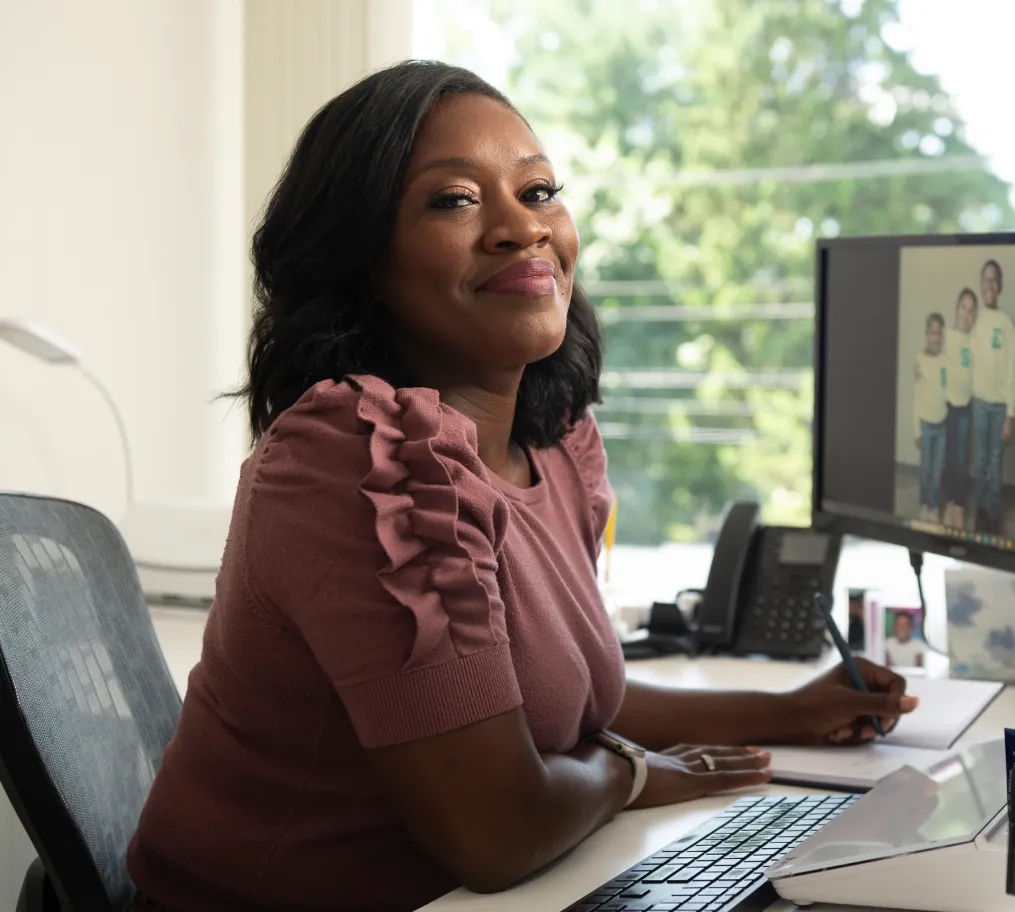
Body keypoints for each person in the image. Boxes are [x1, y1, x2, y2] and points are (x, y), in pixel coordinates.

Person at [125, 61, 918, 912]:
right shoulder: (360, 460)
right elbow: (498, 831)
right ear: (359, 260)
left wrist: (784, 711)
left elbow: (556, 701)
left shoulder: (554, 447)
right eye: (453, 200)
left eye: (539, 192)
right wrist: (630, 774)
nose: (520, 228)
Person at [970, 259, 1015, 535]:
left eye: (994, 280)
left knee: (995, 459)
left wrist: (1010, 415)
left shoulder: (1006, 324)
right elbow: (960, 354)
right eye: (985, 280)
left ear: (1000, 286)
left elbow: (1013, 369)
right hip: (978, 403)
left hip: (1000, 406)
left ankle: (994, 514)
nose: (990, 285)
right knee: (980, 460)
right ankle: (979, 512)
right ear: (981, 285)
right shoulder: (974, 320)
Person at [942, 288, 978, 530]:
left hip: (965, 407)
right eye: (963, 307)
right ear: (957, 310)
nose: (967, 313)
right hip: (946, 406)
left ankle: (959, 506)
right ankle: (949, 504)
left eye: (971, 310)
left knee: (962, 458)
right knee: (949, 458)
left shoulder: (973, 342)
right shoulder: (946, 336)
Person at [913, 313, 948, 523]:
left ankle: (934, 505)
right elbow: (915, 398)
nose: (936, 337)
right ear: (927, 334)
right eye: (932, 332)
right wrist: (916, 430)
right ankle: (923, 504)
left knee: (937, 472)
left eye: (939, 333)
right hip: (926, 425)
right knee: (925, 470)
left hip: (942, 424)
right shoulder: (920, 360)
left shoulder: (946, 360)